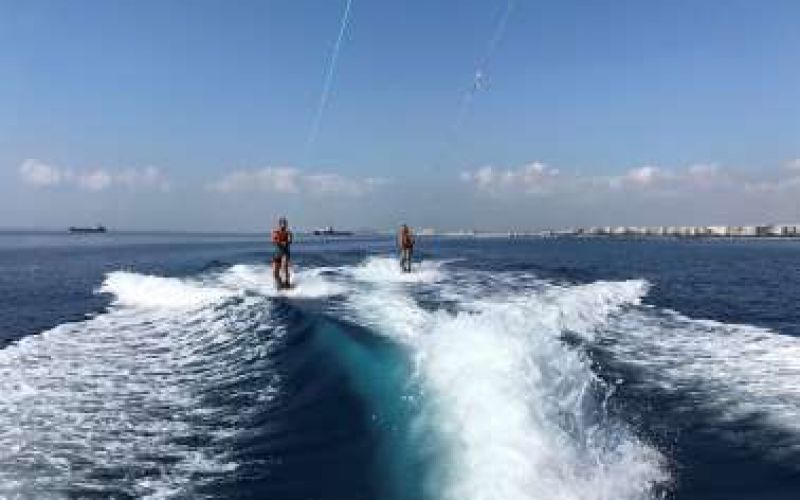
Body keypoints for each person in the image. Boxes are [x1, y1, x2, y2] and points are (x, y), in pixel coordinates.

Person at [271, 216, 293, 289]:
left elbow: (290, 240)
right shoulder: (275, 232)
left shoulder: (288, 232)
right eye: (282, 223)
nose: (283, 225)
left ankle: (287, 283)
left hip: (285, 254)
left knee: (284, 268)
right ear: (279, 224)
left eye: (285, 223)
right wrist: (279, 241)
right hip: (277, 254)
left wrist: (286, 242)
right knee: (275, 273)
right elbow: (273, 240)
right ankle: (279, 283)